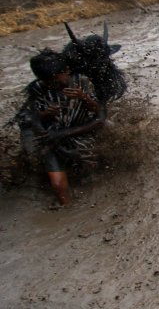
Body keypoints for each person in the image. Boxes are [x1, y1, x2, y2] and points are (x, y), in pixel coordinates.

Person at [16, 50, 106, 206]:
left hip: (78, 131)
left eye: (56, 81)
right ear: (40, 79)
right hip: (49, 138)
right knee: (58, 184)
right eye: (47, 82)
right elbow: (26, 120)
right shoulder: (36, 89)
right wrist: (43, 114)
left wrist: (84, 98)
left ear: (66, 71)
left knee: (93, 161)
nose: (53, 86)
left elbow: (100, 117)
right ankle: (67, 208)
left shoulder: (82, 82)